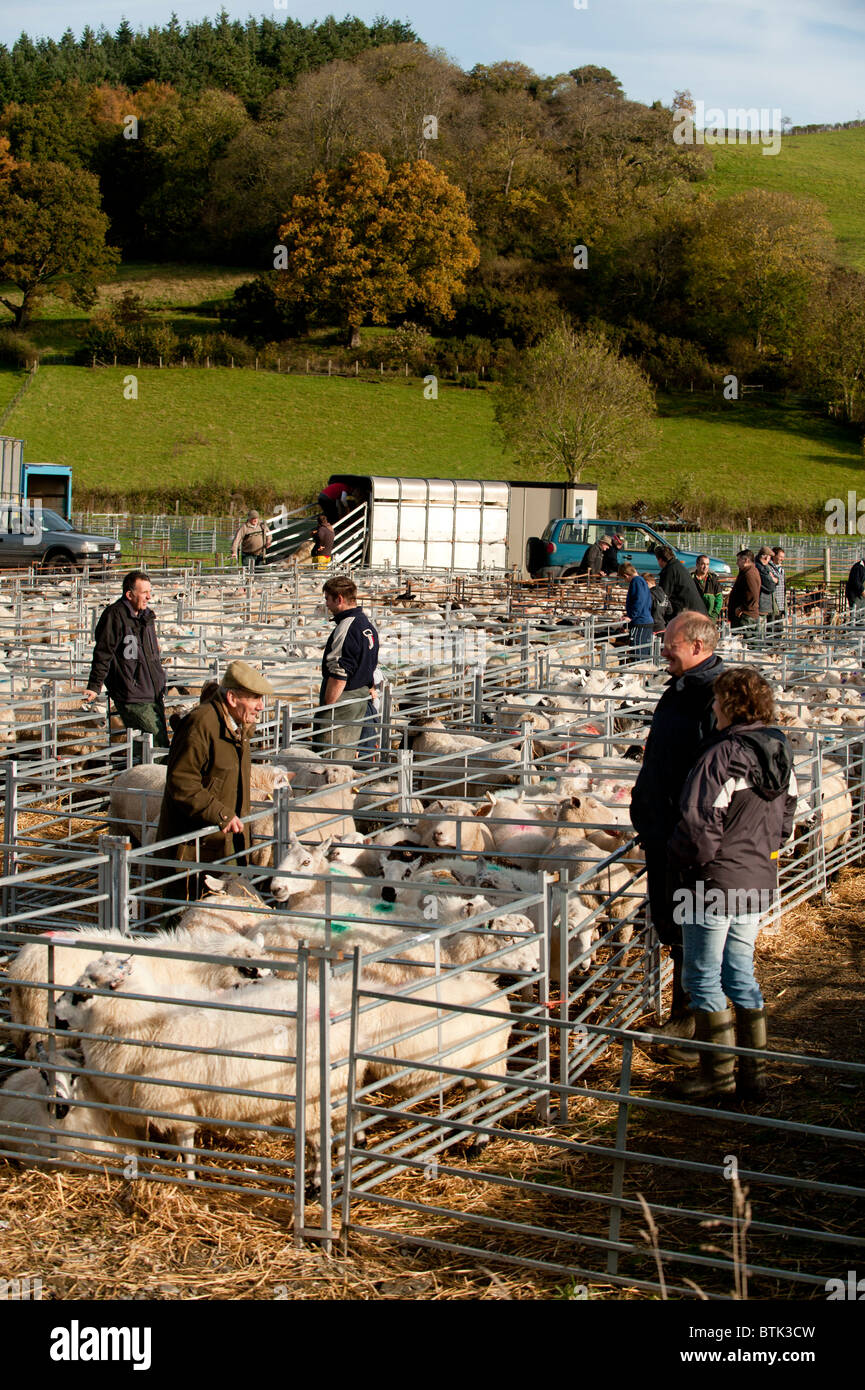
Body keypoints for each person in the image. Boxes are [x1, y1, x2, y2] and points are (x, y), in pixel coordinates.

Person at [666, 666, 796, 1100]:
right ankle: (752, 1077)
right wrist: (767, 854)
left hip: (714, 881)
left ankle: (716, 1078)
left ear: (731, 705)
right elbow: (788, 813)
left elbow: (698, 823)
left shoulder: (721, 754)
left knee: (702, 977)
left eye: (719, 700)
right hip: (758, 877)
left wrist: (687, 867)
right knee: (739, 970)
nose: (715, 707)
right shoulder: (778, 747)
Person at [630, 611, 725, 1044]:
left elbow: (714, 774)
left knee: (691, 930)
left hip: (685, 837)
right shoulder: (682, 690)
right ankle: (684, 1020)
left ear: (697, 647)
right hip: (664, 830)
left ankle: (694, 1032)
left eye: (670, 642)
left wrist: (690, 829)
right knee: (674, 926)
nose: (663, 649)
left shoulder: (710, 697)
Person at [154, 661, 276, 899]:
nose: (261, 707)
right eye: (254, 699)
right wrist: (220, 813)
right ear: (232, 698)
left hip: (225, 839)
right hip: (194, 845)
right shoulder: (200, 724)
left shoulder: (237, 726)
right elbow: (182, 782)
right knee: (185, 912)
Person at [83, 570, 168, 748]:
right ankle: (148, 775)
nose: (149, 597)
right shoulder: (114, 616)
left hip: (153, 691)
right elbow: (103, 652)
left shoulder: (146, 617)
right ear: (129, 594)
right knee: (153, 747)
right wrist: (94, 685)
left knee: (159, 742)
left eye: (149, 592)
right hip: (132, 693)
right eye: (144, 593)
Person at [316, 575, 380, 759]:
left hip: (344, 701)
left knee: (332, 756)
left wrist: (328, 708)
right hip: (361, 696)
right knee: (350, 752)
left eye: (328, 599)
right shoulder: (367, 626)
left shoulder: (347, 628)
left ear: (339, 599)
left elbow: (340, 671)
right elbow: (370, 663)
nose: (326, 604)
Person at [654, 545, 705, 617]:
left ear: (660, 559)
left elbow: (663, 596)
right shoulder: (678, 566)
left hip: (689, 614)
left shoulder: (669, 571)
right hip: (698, 611)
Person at [621, 563, 653, 659]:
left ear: (626, 575)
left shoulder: (636, 581)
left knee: (637, 655)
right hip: (645, 620)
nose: (625, 581)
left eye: (624, 579)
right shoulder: (642, 581)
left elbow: (639, 600)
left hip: (640, 622)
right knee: (643, 653)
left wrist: (631, 616)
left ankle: (640, 673)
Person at [728, 549, 761, 634]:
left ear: (746, 560)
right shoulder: (747, 572)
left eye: (739, 560)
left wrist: (741, 608)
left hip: (746, 616)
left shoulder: (749, 574)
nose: (737, 563)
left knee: (746, 643)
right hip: (746, 614)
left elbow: (753, 594)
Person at [692, 554, 723, 621]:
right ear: (697, 565)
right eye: (703, 564)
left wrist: (712, 616)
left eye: (707, 564)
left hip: (710, 619)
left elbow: (719, 600)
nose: (705, 567)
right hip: (694, 619)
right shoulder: (690, 579)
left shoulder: (713, 579)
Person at [754, 546, 779, 624]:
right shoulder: (760, 568)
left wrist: (774, 580)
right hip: (761, 604)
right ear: (766, 557)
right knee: (761, 630)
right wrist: (773, 580)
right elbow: (770, 586)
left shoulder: (765, 567)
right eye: (769, 558)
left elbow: (776, 579)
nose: (769, 560)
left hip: (765, 604)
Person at [771, 547, 786, 620]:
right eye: (780, 557)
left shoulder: (782, 570)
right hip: (772, 605)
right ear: (774, 556)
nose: (782, 559)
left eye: (783, 557)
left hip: (780, 604)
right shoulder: (769, 569)